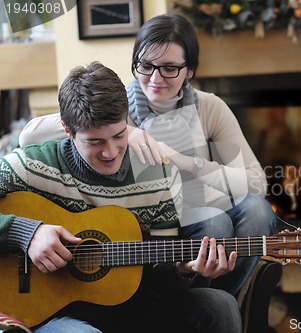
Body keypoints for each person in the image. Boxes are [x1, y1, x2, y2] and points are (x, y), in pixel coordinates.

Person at [19, 13, 277, 298]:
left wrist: (180, 159)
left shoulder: (209, 108)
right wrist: (128, 131)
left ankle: (227, 298)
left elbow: (257, 184)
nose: (155, 78)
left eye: (169, 68)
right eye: (146, 66)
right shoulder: (116, 108)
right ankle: (198, 302)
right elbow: (29, 136)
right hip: (153, 218)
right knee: (216, 223)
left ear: (189, 70)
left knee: (257, 210)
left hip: (199, 207)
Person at [1, 61, 242, 333]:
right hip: (55, 314)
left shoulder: (159, 175)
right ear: (67, 130)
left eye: (119, 135)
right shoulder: (29, 166)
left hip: (134, 309)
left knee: (219, 305)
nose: (110, 152)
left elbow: (158, 281)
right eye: (95, 142)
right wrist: (26, 233)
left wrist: (183, 269)